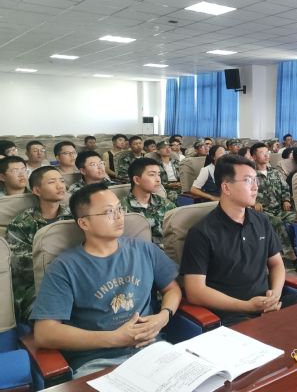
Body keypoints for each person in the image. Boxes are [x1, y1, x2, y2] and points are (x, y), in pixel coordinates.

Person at [31, 183, 181, 377]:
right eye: (109, 212)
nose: (119, 216)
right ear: (84, 223)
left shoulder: (143, 249)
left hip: (152, 349)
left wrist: (163, 316)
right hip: (98, 362)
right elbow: (45, 333)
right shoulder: (65, 267)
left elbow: (172, 289)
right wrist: (115, 338)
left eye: (119, 209)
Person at [181, 155, 297, 326]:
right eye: (247, 180)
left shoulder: (262, 220)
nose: (255, 187)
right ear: (226, 187)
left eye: (255, 180)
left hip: (265, 303)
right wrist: (247, 306)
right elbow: (195, 291)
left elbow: (276, 264)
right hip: (231, 312)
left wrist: (274, 295)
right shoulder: (202, 232)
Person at [7, 166, 71, 324]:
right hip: (35, 286)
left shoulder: (73, 216)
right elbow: (21, 265)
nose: (60, 186)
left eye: (62, 181)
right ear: (37, 190)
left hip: (73, 277)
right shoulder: (22, 223)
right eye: (52, 182)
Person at [251, 143, 296, 260]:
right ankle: (290, 255)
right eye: (262, 153)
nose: (266, 155)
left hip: (279, 209)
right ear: (254, 157)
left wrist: (286, 200)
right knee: (276, 222)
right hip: (262, 212)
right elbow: (244, 193)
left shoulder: (275, 172)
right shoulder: (250, 175)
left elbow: (285, 188)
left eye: (268, 152)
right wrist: (253, 203)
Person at [120, 158, 176, 245]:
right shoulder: (122, 208)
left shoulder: (166, 204)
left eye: (159, 174)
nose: (158, 179)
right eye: (152, 175)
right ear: (137, 180)